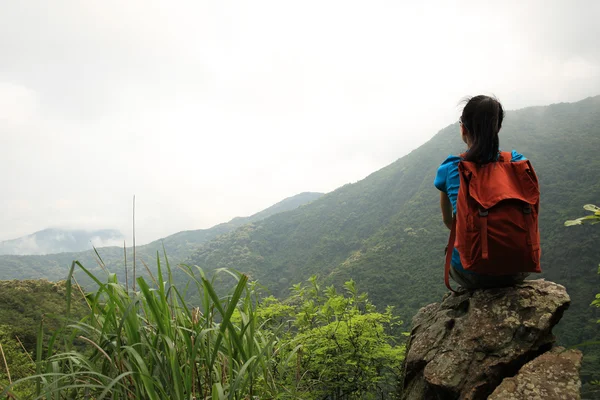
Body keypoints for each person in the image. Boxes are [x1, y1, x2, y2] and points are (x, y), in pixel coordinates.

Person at [434, 95, 529, 289]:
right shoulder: (518, 163)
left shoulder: (451, 168)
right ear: (498, 128)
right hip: (518, 268)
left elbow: (449, 221)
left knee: (452, 251)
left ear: (463, 129)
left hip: (471, 273)